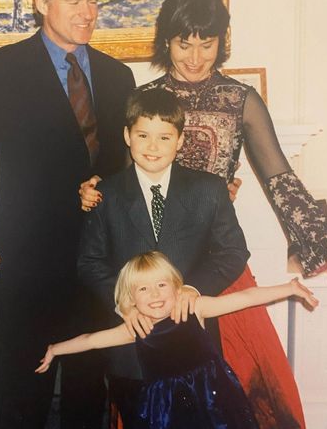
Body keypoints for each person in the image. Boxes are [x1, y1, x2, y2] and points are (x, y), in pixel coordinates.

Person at [81, 0, 327, 428]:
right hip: (149, 274)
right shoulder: (144, 99)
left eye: (206, 44)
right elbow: (114, 174)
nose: (194, 56)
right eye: (184, 43)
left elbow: (280, 179)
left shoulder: (239, 100)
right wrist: (89, 186)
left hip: (215, 266)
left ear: (221, 42)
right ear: (167, 41)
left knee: (242, 391)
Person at [0, 0, 135, 429]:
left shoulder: (120, 76)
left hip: (101, 258)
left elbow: (127, 164)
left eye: (94, 0)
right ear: (40, 2)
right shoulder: (1, 70)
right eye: (74, 0)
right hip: (30, 257)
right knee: (24, 386)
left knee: (89, 385)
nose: (88, 13)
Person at [76, 87, 251, 426]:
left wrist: (195, 288)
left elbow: (234, 251)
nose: (153, 147)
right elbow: (89, 262)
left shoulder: (209, 190)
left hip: (192, 343)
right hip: (133, 343)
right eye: (143, 135)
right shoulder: (106, 194)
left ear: (180, 141)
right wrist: (124, 302)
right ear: (127, 136)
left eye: (164, 137)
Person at [36, 251, 319, 429]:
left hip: (213, 396)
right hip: (165, 408)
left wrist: (289, 288)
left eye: (161, 285)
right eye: (143, 289)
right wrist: (55, 350)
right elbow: (91, 340)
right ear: (131, 300)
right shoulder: (137, 327)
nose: (155, 294)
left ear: (176, 287)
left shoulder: (193, 309)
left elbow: (244, 298)